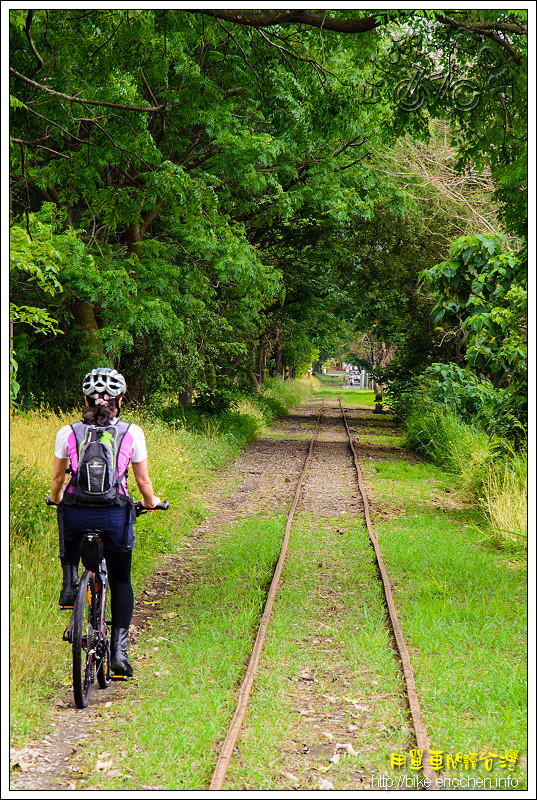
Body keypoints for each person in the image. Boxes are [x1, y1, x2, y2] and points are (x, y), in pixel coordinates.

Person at [48, 367, 160, 677]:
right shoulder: (131, 432)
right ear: (120, 401)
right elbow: (142, 481)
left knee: (66, 521)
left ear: (85, 398)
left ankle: (70, 585)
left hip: (75, 513)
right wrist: (151, 503)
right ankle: (119, 655)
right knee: (121, 580)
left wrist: (56, 497)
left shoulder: (67, 432)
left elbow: (58, 478)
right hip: (114, 515)